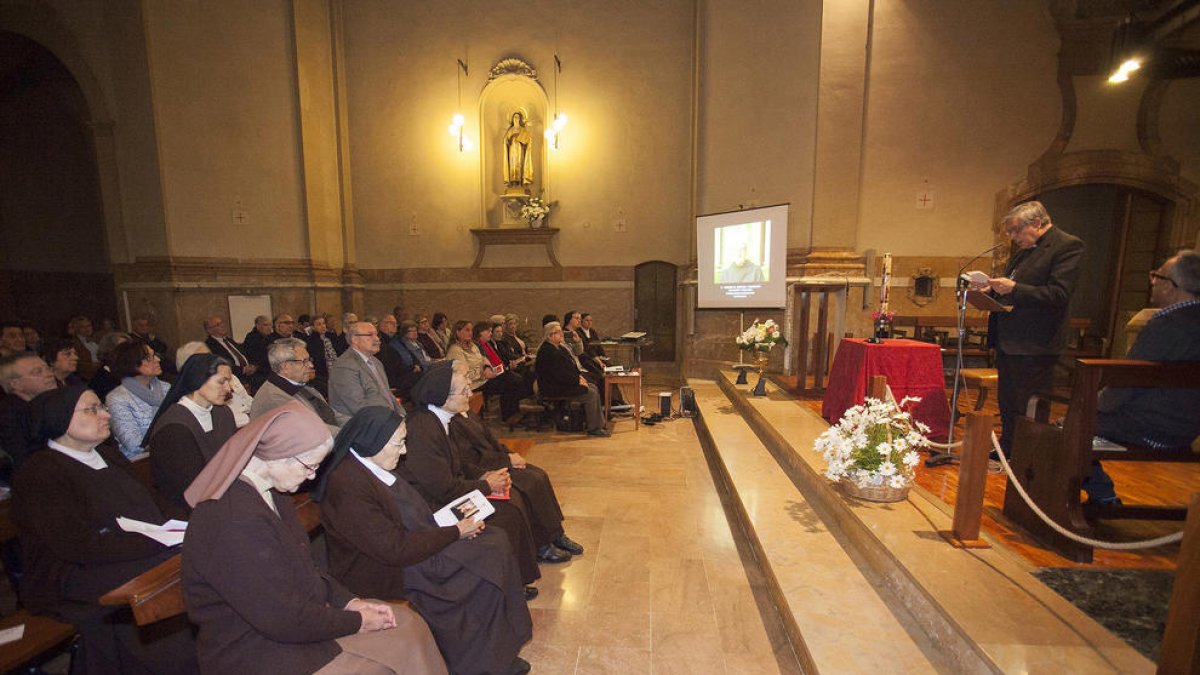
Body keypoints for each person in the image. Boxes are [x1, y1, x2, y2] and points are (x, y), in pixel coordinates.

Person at [181, 401, 447, 674]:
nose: (312, 477)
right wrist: (356, 621)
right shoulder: (232, 520)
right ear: (278, 455)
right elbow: (279, 617)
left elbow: (307, 567)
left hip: (298, 623)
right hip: (256, 650)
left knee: (408, 627)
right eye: (309, 467)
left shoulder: (272, 492)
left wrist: (349, 601)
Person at [315, 407, 534, 675]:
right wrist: (454, 532)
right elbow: (393, 550)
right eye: (398, 443)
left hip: (410, 545)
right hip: (386, 569)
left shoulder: (373, 463)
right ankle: (478, 663)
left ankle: (495, 651)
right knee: (482, 565)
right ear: (373, 442)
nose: (404, 450)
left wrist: (450, 524)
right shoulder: (348, 485)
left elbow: (409, 514)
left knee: (495, 539)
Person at [13, 385, 198, 674]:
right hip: (72, 571)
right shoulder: (40, 473)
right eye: (92, 409)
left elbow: (154, 501)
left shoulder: (108, 455)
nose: (105, 415)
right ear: (59, 418)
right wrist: (158, 541)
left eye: (102, 407)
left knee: (189, 557)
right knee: (164, 574)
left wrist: (185, 523)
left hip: (141, 547)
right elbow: (77, 545)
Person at [403, 362, 548, 582]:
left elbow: (458, 463)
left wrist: (483, 476)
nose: (470, 394)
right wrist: (487, 485)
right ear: (444, 397)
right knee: (505, 515)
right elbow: (442, 489)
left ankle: (518, 571)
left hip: (445, 491)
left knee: (513, 500)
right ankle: (511, 579)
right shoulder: (423, 431)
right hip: (432, 506)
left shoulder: (439, 419)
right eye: (464, 391)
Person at [1084, 250, 1200, 505]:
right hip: (1189, 430)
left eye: (1156, 276)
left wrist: (1090, 405)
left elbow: (1126, 383)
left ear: (1171, 287)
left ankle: (1102, 495)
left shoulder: (1165, 326)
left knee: (1064, 429)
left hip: (1147, 428)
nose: (1152, 281)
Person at [979, 201, 1084, 456]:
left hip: (1037, 342)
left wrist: (1014, 288)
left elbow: (1059, 294)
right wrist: (992, 291)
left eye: (1016, 231)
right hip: (1010, 339)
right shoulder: (1024, 252)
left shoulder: (1067, 246)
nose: (1014, 238)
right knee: (1008, 399)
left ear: (1036, 223)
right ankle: (1009, 444)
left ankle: (1029, 452)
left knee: (1030, 402)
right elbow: (1015, 286)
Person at [449, 407, 583, 557]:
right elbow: (469, 459)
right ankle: (542, 545)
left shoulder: (468, 413)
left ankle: (556, 534)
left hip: (495, 460)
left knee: (539, 475)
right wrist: (506, 460)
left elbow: (492, 442)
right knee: (529, 483)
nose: (469, 393)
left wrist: (509, 454)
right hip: (483, 469)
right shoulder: (451, 422)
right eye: (464, 390)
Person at [143, 353, 238, 513]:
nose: (229, 389)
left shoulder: (223, 413)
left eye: (229, 381)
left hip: (225, 495)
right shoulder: (173, 429)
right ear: (198, 380)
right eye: (222, 382)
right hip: (191, 509)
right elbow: (189, 488)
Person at [252, 337, 347, 432]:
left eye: (309, 360)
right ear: (285, 367)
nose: (311, 365)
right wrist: (350, 435)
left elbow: (333, 415)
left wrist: (356, 425)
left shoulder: (298, 385)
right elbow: (313, 432)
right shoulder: (274, 399)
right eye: (304, 361)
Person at [536, 322, 609, 437]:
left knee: (593, 387)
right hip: (554, 387)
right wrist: (577, 381)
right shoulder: (547, 351)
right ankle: (594, 428)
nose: (562, 334)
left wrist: (580, 377)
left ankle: (599, 424)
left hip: (564, 382)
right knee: (590, 393)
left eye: (561, 331)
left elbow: (572, 366)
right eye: (558, 332)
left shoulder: (559, 347)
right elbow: (559, 375)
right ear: (550, 336)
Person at [106, 341, 169, 458]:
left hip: (169, 453)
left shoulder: (166, 388)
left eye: (155, 355)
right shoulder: (117, 398)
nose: (158, 360)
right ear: (133, 364)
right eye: (149, 358)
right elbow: (134, 444)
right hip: (140, 462)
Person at [329, 320, 403, 417]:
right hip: (363, 424)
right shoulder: (344, 366)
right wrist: (392, 422)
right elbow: (360, 408)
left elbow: (388, 395)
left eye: (377, 335)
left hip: (387, 418)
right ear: (355, 339)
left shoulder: (376, 362)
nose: (377, 339)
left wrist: (401, 415)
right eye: (370, 335)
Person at [0, 352, 59, 470]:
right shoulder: (7, 416)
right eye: (38, 372)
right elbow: (26, 460)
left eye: (47, 368)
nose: (49, 374)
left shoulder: (54, 401)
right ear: (16, 384)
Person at [177, 341, 252, 427]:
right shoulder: (181, 421)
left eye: (211, 357)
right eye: (204, 361)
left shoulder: (230, 378)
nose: (228, 388)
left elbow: (248, 400)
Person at [203, 315, 256, 380]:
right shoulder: (209, 345)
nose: (222, 326)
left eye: (222, 323)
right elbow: (221, 364)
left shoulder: (229, 340)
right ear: (209, 330)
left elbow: (243, 353)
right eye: (218, 325)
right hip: (234, 377)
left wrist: (252, 365)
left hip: (249, 374)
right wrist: (243, 370)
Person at [87, 330, 132, 401]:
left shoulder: (130, 372)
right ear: (109, 351)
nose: (128, 352)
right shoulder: (101, 378)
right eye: (122, 348)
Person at [306, 314, 340, 395]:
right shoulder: (311, 341)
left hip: (334, 370)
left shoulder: (329, 338)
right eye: (319, 324)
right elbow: (317, 358)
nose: (323, 326)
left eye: (323, 323)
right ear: (313, 327)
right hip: (321, 374)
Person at [241, 314, 274, 388]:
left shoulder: (270, 337)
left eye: (270, 325)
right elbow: (254, 357)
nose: (269, 328)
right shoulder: (251, 338)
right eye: (266, 325)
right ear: (258, 326)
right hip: (259, 371)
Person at [502, 111, 533, 189]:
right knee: (512, 165)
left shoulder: (523, 130)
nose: (516, 119)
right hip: (512, 150)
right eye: (514, 117)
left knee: (520, 164)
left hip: (520, 149)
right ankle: (513, 184)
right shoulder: (510, 130)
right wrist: (509, 139)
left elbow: (528, 140)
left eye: (517, 117)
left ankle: (520, 184)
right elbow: (506, 141)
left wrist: (521, 139)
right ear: (512, 119)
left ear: (520, 119)